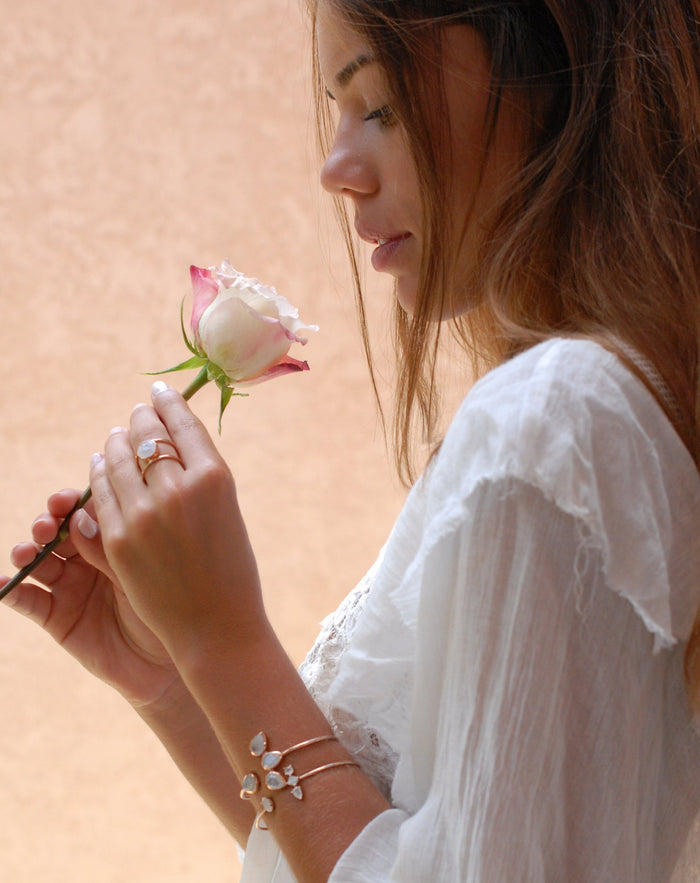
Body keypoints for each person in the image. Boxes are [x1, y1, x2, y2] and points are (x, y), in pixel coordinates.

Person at [3, 0, 700, 879]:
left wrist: (224, 640)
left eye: (383, 105)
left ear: (547, 69)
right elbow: (387, 850)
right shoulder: (616, 407)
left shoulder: (554, 424)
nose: (337, 169)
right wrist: (177, 677)